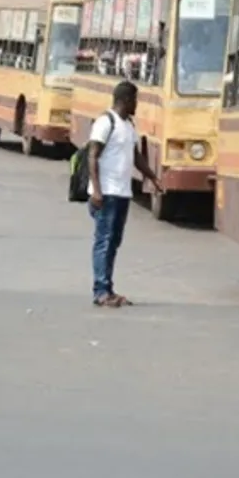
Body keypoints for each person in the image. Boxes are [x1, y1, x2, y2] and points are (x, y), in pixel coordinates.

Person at [88, 80, 163, 308]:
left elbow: (136, 156)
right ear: (126, 100)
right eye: (135, 100)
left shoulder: (128, 125)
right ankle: (101, 291)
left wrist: (152, 177)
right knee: (104, 241)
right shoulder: (105, 122)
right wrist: (97, 191)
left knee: (114, 242)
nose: (137, 105)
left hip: (122, 193)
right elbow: (93, 156)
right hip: (106, 193)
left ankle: (108, 288)